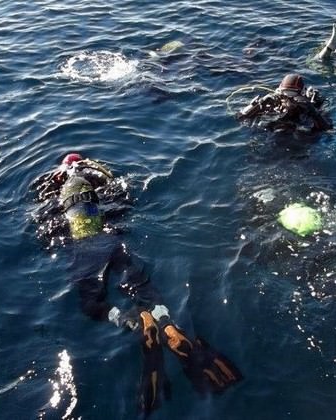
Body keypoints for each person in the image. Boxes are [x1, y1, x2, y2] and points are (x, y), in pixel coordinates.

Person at [32, 153, 242, 415]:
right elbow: (122, 200)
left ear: (62, 170)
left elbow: (47, 222)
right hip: (113, 240)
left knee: (91, 302)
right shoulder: (98, 173)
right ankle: (164, 320)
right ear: (84, 161)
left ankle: (128, 321)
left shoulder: (58, 184)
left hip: (83, 249)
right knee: (139, 285)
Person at [236, 73, 332, 133]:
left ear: (301, 95)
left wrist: (312, 111)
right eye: (284, 96)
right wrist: (259, 105)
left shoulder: (308, 108)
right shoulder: (273, 105)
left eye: (292, 97)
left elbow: (328, 130)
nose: (288, 101)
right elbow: (241, 118)